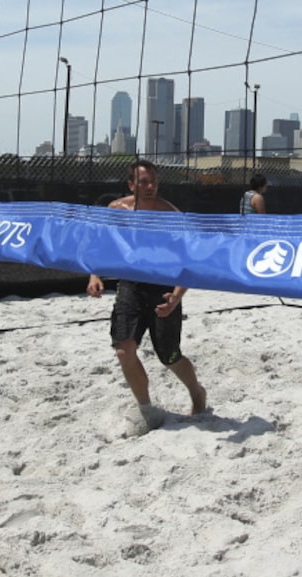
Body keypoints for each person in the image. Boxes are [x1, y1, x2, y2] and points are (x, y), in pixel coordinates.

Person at [86, 159, 206, 428]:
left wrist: (176, 297)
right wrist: (94, 274)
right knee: (124, 350)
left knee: (169, 356)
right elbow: (101, 244)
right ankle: (146, 408)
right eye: (144, 182)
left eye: (154, 181)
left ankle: (197, 392)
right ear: (132, 184)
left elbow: (189, 261)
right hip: (130, 285)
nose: (151, 186)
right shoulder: (117, 210)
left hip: (164, 289)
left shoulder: (170, 216)